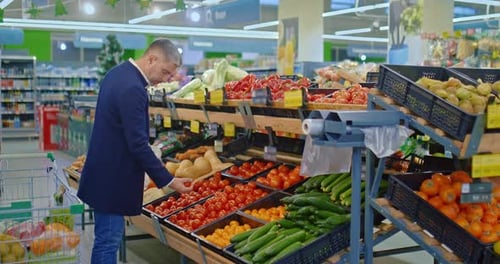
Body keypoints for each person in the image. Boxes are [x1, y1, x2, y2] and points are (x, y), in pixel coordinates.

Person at [77, 38, 192, 264]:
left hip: (103, 172)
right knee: (108, 241)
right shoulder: (133, 88)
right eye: (166, 72)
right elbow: (137, 144)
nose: (166, 80)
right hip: (112, 180)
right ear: (152, 58)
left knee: (105, 239)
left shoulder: (117, 74)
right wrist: (168, 180)